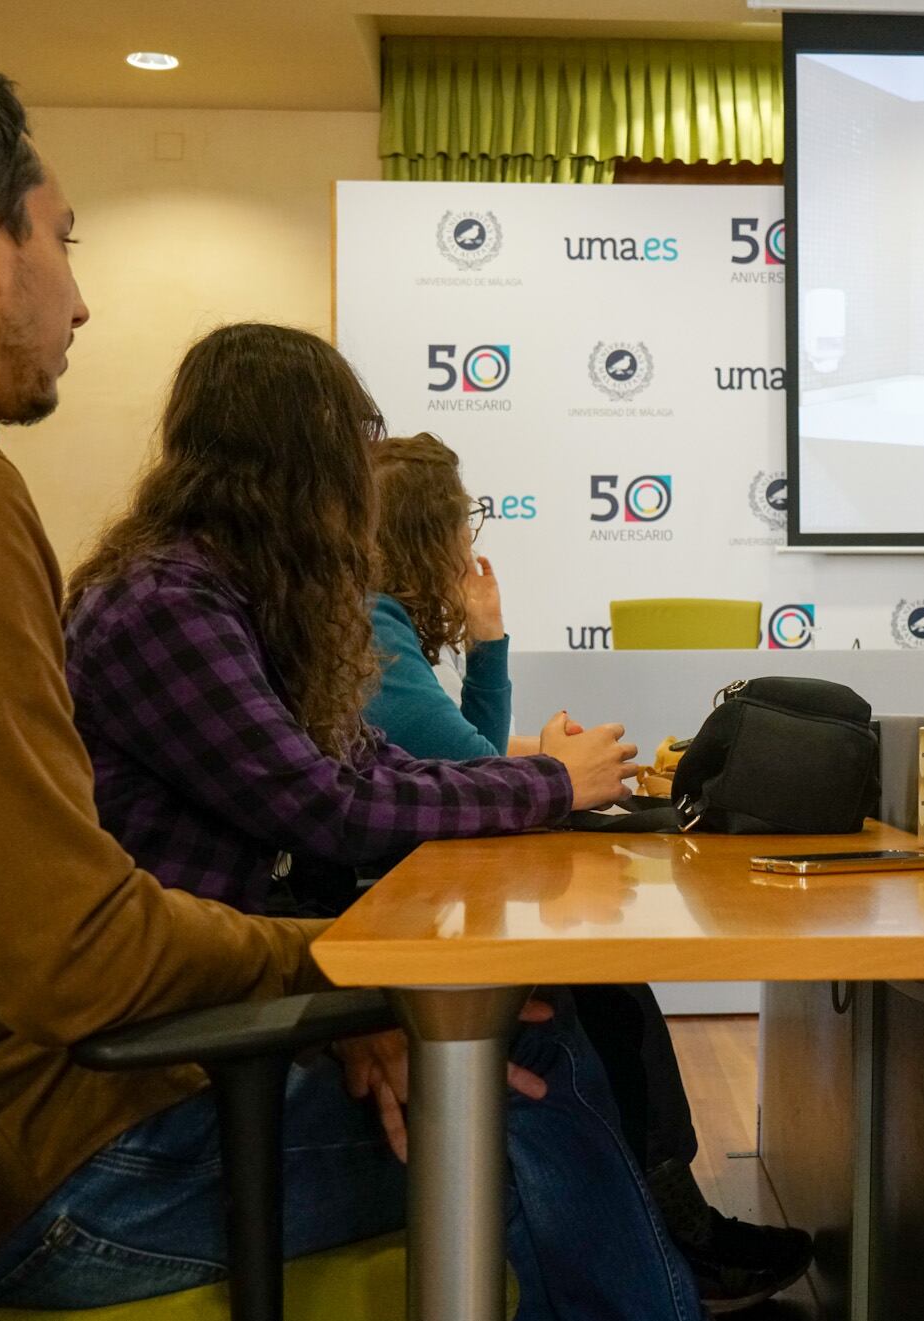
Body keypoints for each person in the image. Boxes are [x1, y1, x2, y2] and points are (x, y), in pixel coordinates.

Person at [0, 51, 694, 1319]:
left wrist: (342, 989)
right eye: (62, 236)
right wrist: (357, 972)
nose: (79, 300)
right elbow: (72, 955)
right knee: (525, 1060)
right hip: (75, 1166)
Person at [60, 324, 699, 1316]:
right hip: (164, 1076)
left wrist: (533, 774)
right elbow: (333, 807)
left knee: (529, 1028)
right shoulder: (163, 604)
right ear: (307, 454)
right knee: (518, 1063)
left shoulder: (217, 594)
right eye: (358, 440)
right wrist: (547, 783)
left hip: (219, 1003)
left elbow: (366, 766)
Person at [363, 432, 816, 1312]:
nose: (471, 537)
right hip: (382, 938)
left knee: (605, 985)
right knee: (595, 990)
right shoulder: (373, 624)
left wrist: (498, 675)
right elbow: (478, 770)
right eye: (464, 520)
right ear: (429, 533)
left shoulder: (374, 623)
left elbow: (474, 760)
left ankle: (673, 1223)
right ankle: (673, 1237)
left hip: (393, 909)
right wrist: (548, 752)